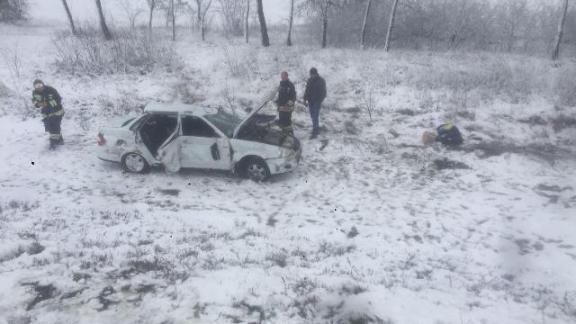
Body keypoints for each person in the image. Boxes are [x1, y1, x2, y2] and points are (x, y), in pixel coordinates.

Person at [32, 79, 65, 149]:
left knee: (54, 126)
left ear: (43, 84)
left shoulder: (50, 90)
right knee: (49, 127)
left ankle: (53, 142)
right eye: (36, 86)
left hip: (57, 111)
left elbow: (58, 99)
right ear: (34, 87)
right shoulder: (35, 93)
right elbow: (34, 100)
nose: (39, 87)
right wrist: (38, 104)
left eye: (40, 85)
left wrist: (48, 103)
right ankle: (59, 140)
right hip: (46, 113)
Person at [303, 67, 326, 139]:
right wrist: (305, 99)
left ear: (316, 74)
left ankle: (315, 130)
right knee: (312, 115)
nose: (311, 76)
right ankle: (315, 127)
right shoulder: (309, 80)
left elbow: (324, 92)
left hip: (317, 101)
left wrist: (320, 100)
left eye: (312, 74)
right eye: (311, 74)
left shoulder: (321, 81)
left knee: (315, 115)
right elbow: (307, 90)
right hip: (310, 101)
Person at [275, 71, 296, 137]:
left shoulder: (290, 85)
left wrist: (289, 103)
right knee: (281, 120)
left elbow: (293, 96)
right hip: (281, 106)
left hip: (287, 107)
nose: (282, 77)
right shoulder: (281, 85)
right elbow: (280, 95)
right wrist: (277, 102)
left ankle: (290, 134)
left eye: (283, 76)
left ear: (287, 76)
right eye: (282, 76)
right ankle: (283, 134)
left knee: (287, 121)